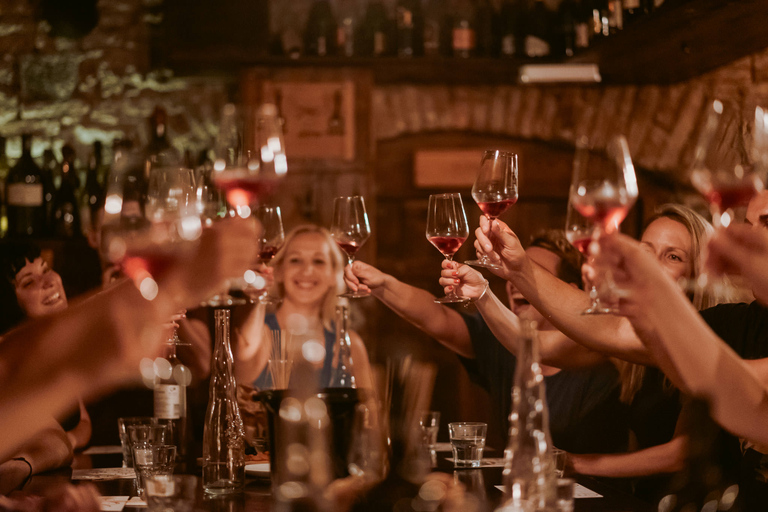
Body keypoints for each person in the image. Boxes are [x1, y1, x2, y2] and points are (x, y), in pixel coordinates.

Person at [344, 230, 628, 456]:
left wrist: (578, 466)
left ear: (569, 291)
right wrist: (383, 285)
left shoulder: (602, 353)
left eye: (531, 274)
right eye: (512, 273)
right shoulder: (501, 340)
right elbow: (436, 317)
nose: (516, 282)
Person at [0, 216, 257, 463]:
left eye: (46, 269)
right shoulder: (17, 365)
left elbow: (80, 425)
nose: (48, 282)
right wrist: (170, 285)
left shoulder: (54, 354)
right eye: (29, 281)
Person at [235, 225, 375, 391]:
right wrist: (258, 294)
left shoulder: (350, 344)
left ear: (333, 274)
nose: (307, 270)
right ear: (278, 271)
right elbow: (239, 378)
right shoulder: (259, 335)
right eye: (295, 260)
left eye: (318, 261)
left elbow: (369, 411)